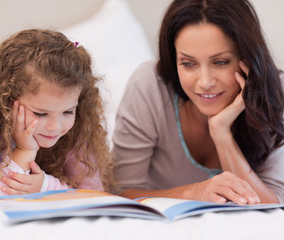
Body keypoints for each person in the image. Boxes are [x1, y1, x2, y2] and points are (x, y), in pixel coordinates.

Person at [113, 0, 284, 204]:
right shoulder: (149, 85)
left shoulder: (275, 93)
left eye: (220, 62)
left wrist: (221, 134)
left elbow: (274, 205)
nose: (205, 82)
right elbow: (120, 193)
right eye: (188, 64)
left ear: (247, 58)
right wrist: (193, 193)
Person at [0, 29, 114, 200]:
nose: (55, 126)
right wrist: (24, 152)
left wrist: (45, 186)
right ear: (7, 101)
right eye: (40, 113)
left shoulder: (77, 133)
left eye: (68, 111)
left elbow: (94, 196)